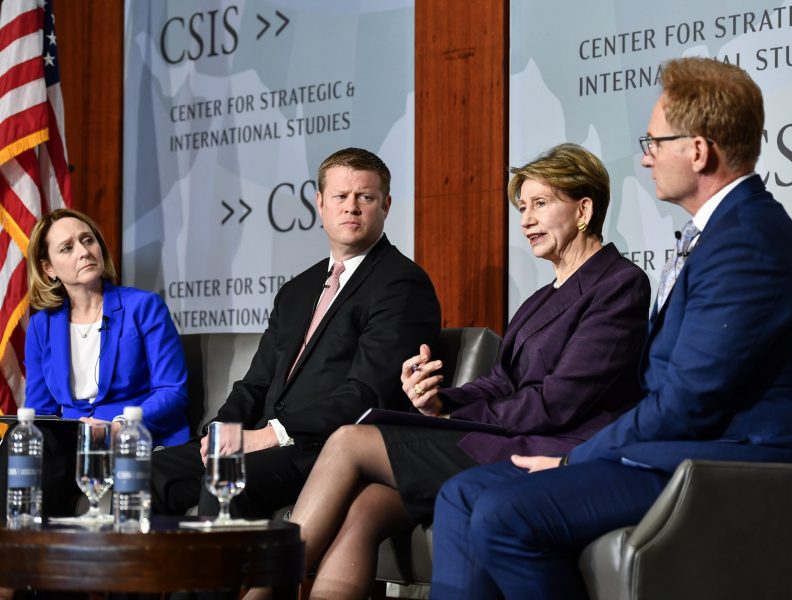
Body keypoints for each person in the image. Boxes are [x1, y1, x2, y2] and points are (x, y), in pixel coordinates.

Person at [429, 57, 792, 599]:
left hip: (730, 460)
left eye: (655, 142)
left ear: (698, 150)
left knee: (503, 513)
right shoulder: (721, 235)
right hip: (678, 450)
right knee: (461, 493)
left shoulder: (747, 244)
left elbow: (689, 401)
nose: (645, 158)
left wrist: (573, 458)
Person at [244, 143, 651, 600]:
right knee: (364, 510)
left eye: (540, 204)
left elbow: (560, 401)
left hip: (556, 446)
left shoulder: (619, 283)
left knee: (347, 441)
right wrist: (441, 401)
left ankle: (260, 595)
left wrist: (458, 420)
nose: (526, 221)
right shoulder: (541, 297)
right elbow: (501, 381)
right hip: (506, 434)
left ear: (584, 209)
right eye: (522, 207)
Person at [150, 147, 442, 519]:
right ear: (320, 204)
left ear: (385, 205)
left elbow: (368, 395)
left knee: (228, 480)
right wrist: (222, 430)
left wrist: (268, 436)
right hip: (264, 441)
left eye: (365, 197)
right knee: (146, 475)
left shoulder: (401, 283)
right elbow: (256, 383)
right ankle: (164, 579)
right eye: (340, 196)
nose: (351, 207)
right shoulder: (297, 290)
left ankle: (224, 580)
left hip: (324, 447)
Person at [17, 207, 189, 516]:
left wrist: (120, 425)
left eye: (88, 240)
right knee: (25, 448)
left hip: (131, 440)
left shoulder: (143, 307)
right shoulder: (43, 326)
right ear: (48, 269)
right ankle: (26, 553)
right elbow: (41, 411)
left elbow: (172, 391)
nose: (83, 251)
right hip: (73, 446)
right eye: (67, 248)